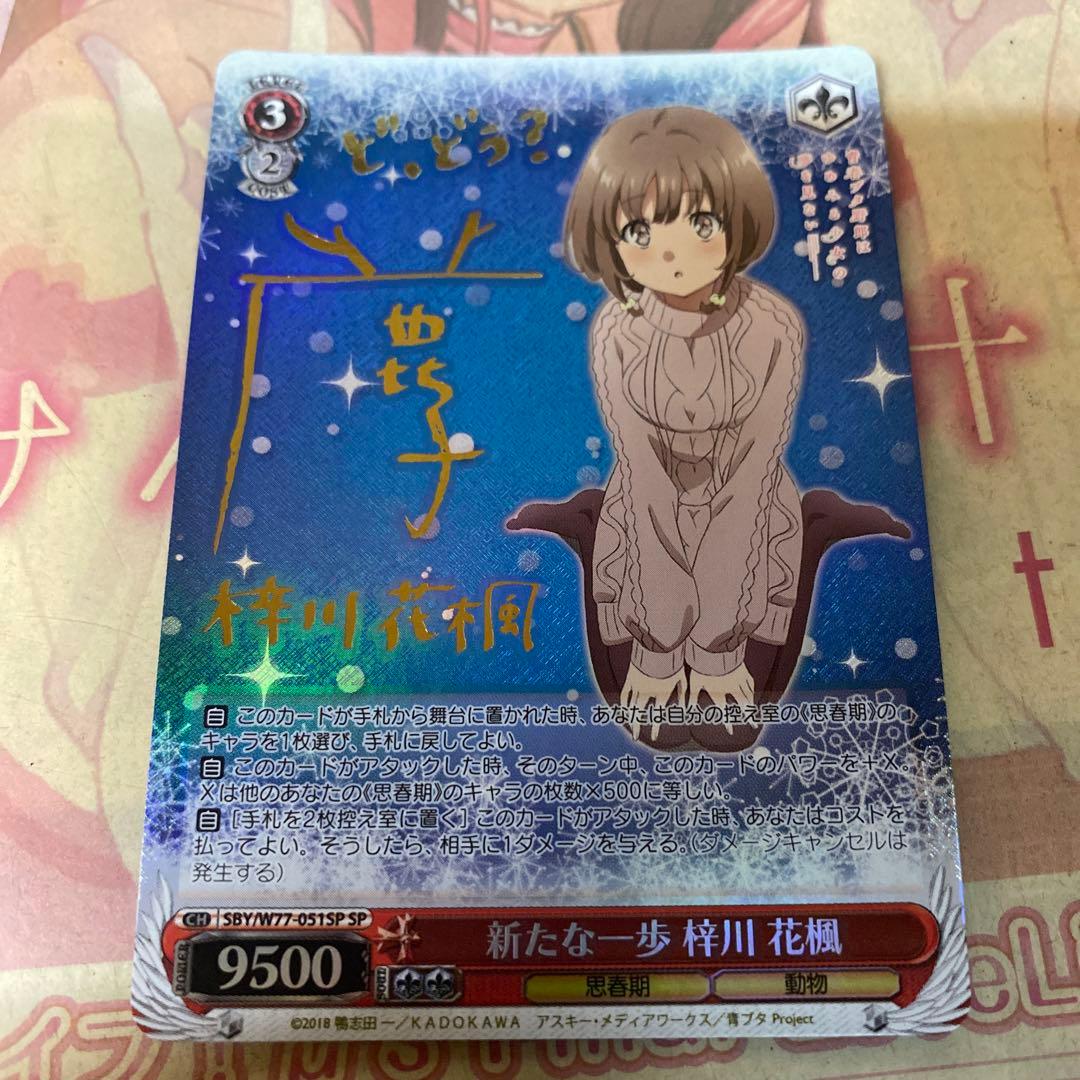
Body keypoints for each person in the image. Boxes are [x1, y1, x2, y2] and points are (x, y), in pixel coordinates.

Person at [563, 106, 805, 710]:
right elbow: (642, 476)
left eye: (701, 222)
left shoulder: (773, 327)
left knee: (761, 528)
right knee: (635, 523)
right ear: (610, 241)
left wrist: (718, 649)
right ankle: (657, 649)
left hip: (747, 495)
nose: (672, 254)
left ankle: (721, 650)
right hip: (647, 495)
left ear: (737, 216)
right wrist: (658, 647)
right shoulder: (617, 332)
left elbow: (753, 474)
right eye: (640, 234)